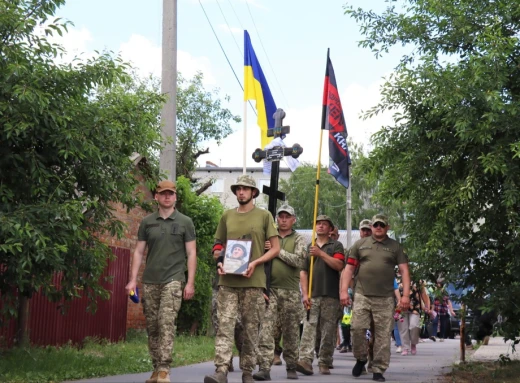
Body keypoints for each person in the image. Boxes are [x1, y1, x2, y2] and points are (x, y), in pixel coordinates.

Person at [204, 175, 280, 383]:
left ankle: (247, 371)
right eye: (238, 189)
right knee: (224, 326)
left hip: (254, 282)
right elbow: (218, 246)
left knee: (250, 330)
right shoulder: (227, 216)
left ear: (253, 192)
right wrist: (219, 261)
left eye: (245, 189)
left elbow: (275, 248)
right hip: (228, 282)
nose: (241, 192)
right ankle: (221, 370)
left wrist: (256, 263)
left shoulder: (264, 216)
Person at [125, 180, 197, 383]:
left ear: (175, 197)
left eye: (170, 193)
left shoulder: (185, 222)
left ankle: (165, 369)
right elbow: (139, 251)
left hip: (173, 280)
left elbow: (191, 253)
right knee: (153, 326)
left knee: (166, 322)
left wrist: (190, 282)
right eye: (163, 193)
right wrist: (132, 281)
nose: (167, 197)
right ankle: (156, 368)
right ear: (156, 196)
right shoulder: (147, 222)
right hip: (150, 281)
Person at [340, 214, 410, 383]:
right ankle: (361, 358)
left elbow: (405, 271)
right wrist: (343, 291)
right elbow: (348, 269)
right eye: (376, 225)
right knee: (357, 328)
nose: (378, 227)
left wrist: (405, 295)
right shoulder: (360, 245)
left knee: (382, 335)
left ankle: (378, 368)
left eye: (382, 225)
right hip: (362, 294)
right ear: (371, 227)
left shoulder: (395, 247)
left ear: (387, 227)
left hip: (385, 298)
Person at [253, 204, 307, 381]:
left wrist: (276, 251)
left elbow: (298, 260)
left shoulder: (298, 238)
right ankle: (264, 367)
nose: (283, 220)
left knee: (291, 331)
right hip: (270, 289)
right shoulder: (270, 236)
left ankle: (291, 365)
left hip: (290, 292)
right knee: (266, 330)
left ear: (293, 219)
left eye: (287, 217)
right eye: (281, 216)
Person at [297, 215, 344, 376]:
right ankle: (305, 360)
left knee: (328, 330)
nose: (321, 226)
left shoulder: (336, 245)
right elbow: (303, 272)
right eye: (318, 224)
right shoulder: (309, 246)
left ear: (330, 229)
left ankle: (324, 360)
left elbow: (338, 265)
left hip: (331, 294)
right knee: (309, 327)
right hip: (313, 293)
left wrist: (321, 254)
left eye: (324, 224)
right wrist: (305, 294)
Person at [396, 277, 431, 355]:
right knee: (403, 329)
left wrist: (427, 306)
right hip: (401, 308)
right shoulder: (397, 280)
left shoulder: (418, 281)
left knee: (414, 326)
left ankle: (413, 343)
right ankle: (405, 347)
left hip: (415, 308)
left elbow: (423, 294)